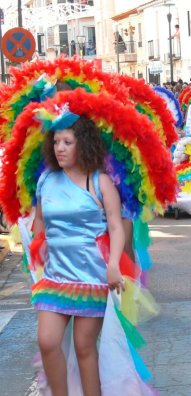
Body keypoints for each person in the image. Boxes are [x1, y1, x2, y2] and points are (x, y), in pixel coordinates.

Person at [32, 115, 125, 395]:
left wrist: (113, 265)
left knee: (85, 348)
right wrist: (36, 249)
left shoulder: (99, 182)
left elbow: (116, 226)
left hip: (91, 276)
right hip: (55, 276)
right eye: (56, 141)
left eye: (67, 142)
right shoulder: (46, 179)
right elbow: (39, 222)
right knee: (47, 342)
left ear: (82, 145)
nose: (60, 148)